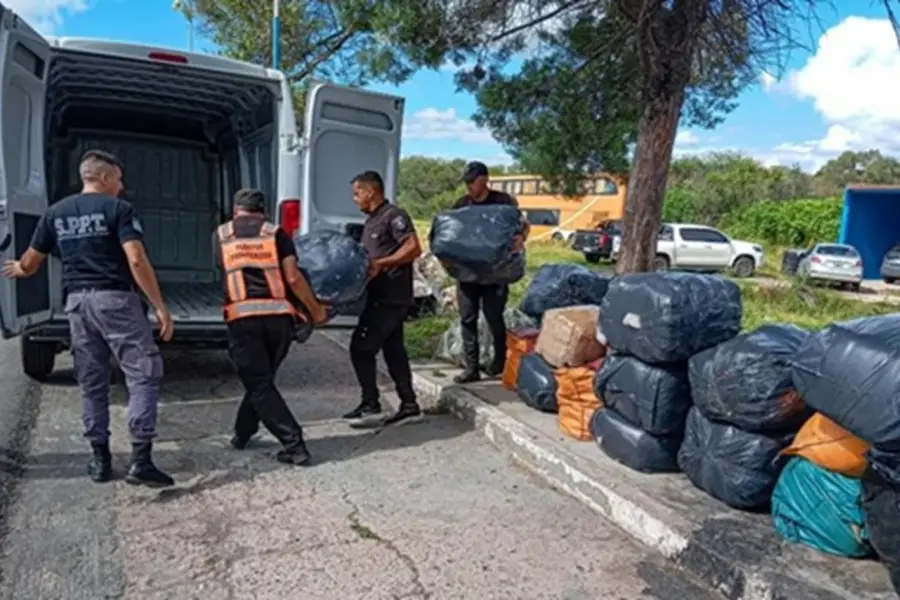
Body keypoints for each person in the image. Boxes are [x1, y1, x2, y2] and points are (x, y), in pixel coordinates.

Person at [2, 150, 175, 487]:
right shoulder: (119, 210)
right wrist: (159, 306)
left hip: (78, 305)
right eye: (119, 180)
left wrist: (20, 269)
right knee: (141, 375)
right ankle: (141, 460)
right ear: (106, 178)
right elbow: (136, 260)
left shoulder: (56, 212)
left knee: (92, 381)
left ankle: (99, 460)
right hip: (116, 301)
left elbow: (32, 260)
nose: (122, 187)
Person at [214, 188, 328, 466]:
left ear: (235, 210)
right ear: (263, 211)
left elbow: (223, 270)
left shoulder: (222, 234)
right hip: (278, 320)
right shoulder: (275, 233)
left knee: (259, 384)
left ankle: (295, 445)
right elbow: (292, 277)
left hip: (243, 319)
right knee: (261, 382)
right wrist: (315, 310)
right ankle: (243, 432)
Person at [342, 171, 424, 426]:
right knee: (394, 351)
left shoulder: (394, 216)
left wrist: (382, 263)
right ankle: (409, 404)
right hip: (379, 296)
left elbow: (413, 248)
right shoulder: (371, 220)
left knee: (361, 348)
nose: (355, 199)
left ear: (370, 191)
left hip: (391, 297)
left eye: (357, 193)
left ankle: (371, 403)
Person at [451, 161, 530, 384]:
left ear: (484, 180)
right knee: (468, 318)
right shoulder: (461, 204)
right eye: (466, 182)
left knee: (494, 317)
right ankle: (471, 367)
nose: (468, 187)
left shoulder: (504, 202)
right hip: (468, 272)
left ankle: (499, 362)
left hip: (496, 272)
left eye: (471, 182)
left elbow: (524, 224)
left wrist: (521, 238)